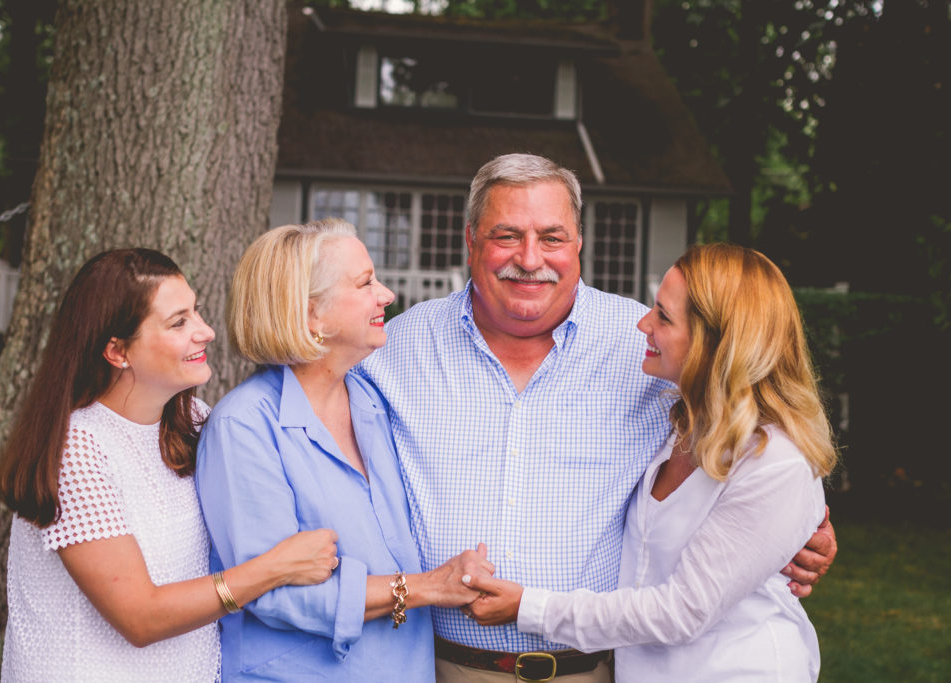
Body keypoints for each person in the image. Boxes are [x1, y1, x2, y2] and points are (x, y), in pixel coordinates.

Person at [357, 154, 838, 682]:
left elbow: (751, 432)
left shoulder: (646, 350)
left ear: (579, 242)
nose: (530, 257)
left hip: (596, 669)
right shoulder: (394, 349)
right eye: (506, 235)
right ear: (470, 240)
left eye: (553, 237)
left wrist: (804, 524)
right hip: (444, 666)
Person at [466, 243, 837, 681]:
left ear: (715, 341)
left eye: (663, 315)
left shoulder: (774, 461)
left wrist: (529, 608)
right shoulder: (680, 423)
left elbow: (681, 611)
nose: (643, 323)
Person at [0, 248, 339, 683]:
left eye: (196, 313)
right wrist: (277, 567)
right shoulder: (76, 449)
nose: (206, 332)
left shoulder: (195, 421)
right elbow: (140, 617)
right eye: (179, 323)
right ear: (117, 351)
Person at [195, 219, 492, 682]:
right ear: (312, 314)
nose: (387, 294)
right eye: (365, 282)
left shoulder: (373, 403)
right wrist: (426, 588)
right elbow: (271, 593)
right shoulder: (244, 425)